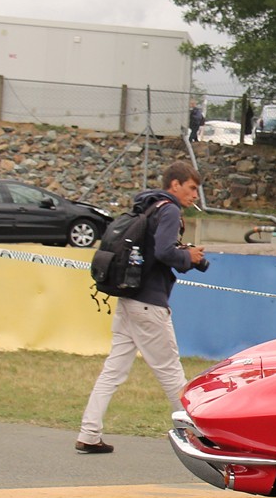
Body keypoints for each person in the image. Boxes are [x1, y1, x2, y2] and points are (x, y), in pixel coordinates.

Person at [75, 161, 207, 454]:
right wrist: (189, 257)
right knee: (171, 373)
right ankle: (200, 436)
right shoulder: (170, 210)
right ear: (175, 184)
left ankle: (89, 432)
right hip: (149, 304)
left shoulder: (149, 206)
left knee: (113, 370)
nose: (194, 195)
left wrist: (182, 255)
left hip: (129, 299)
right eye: (191, 188)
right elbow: (163, 252)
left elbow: (154, 251)